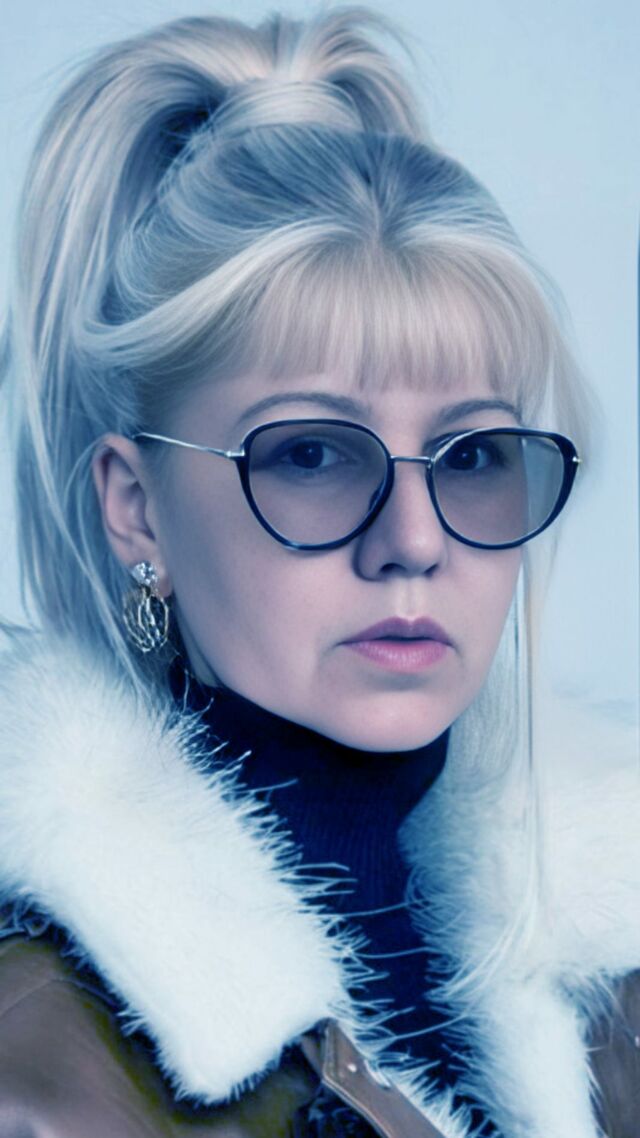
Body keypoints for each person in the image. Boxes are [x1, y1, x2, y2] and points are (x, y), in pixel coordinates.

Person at [0, 6, 637, 1137]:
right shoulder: (39, 1072)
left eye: (472, 456)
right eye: (310, 454)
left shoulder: (612, 976)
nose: (415, 539)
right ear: (135, 507)